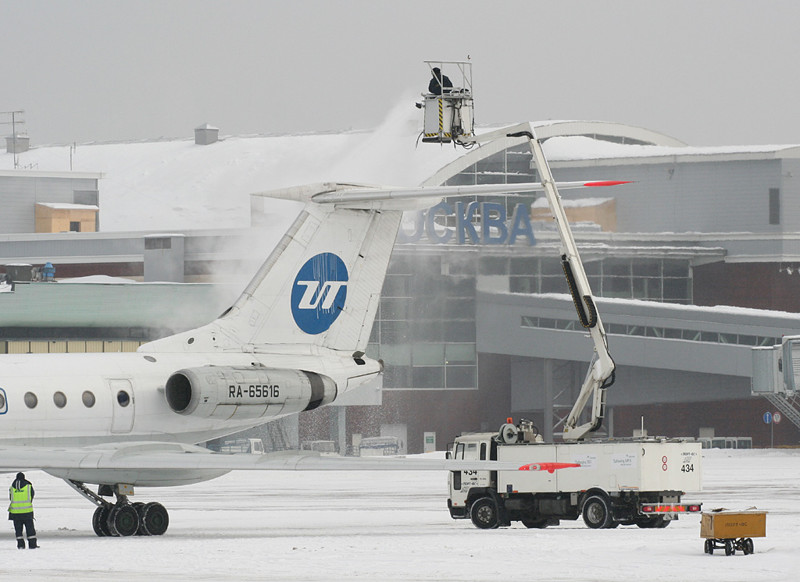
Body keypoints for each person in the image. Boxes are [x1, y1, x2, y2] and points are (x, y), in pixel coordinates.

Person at [8, 472, 37, 549]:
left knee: (18, 530)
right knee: (30, 529)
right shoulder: (28, 486)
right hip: (27, 512)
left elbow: (11, 498)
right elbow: (32, 495)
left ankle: (20, 545)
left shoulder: (12, 487)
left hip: (15, 513)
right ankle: (32, 545)